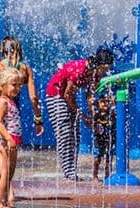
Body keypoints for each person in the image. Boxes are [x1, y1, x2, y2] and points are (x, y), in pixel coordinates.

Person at [0, 36, 43, 194]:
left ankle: (7, 190)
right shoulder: (25, 68)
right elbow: (33, 97)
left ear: (3, 49)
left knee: (0, 150)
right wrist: (38, 119)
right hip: (14, 111)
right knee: (10, 151)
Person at [44, 47, 115, 180]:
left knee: (75, 133)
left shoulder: (96, 73)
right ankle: (69, 173)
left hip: (68, 97)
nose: (105, 72)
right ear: (98, 64)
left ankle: (71, 171)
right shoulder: (79, 70)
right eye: (104, 68)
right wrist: (84, 117)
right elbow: (66, 95)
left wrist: (93, 115)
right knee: (65, 133)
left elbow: (89, 94)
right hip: (55, 95)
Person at [0, 68, 23, 208]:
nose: (17, 88)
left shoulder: (10, 100)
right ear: (2, 85)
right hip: (6, 141)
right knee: (5, 173)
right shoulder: (2, 102)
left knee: (10, 173)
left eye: (19, 85)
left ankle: (6, 200)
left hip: (13, 140)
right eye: (14, 85)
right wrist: (8, 139)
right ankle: (1, 202)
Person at [91, 94, 115, 182]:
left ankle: (107, 176)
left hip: (109, 140)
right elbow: (91, 110)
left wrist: (113, 102)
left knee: (108, 160)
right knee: (97, 159)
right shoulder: (96, 114)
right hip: (98, 140)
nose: (105, 104)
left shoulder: (111, 114)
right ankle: (95, 175)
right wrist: (92, 102)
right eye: (102, 102)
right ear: (98, 103)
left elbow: (115, 110)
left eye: (106, 102)